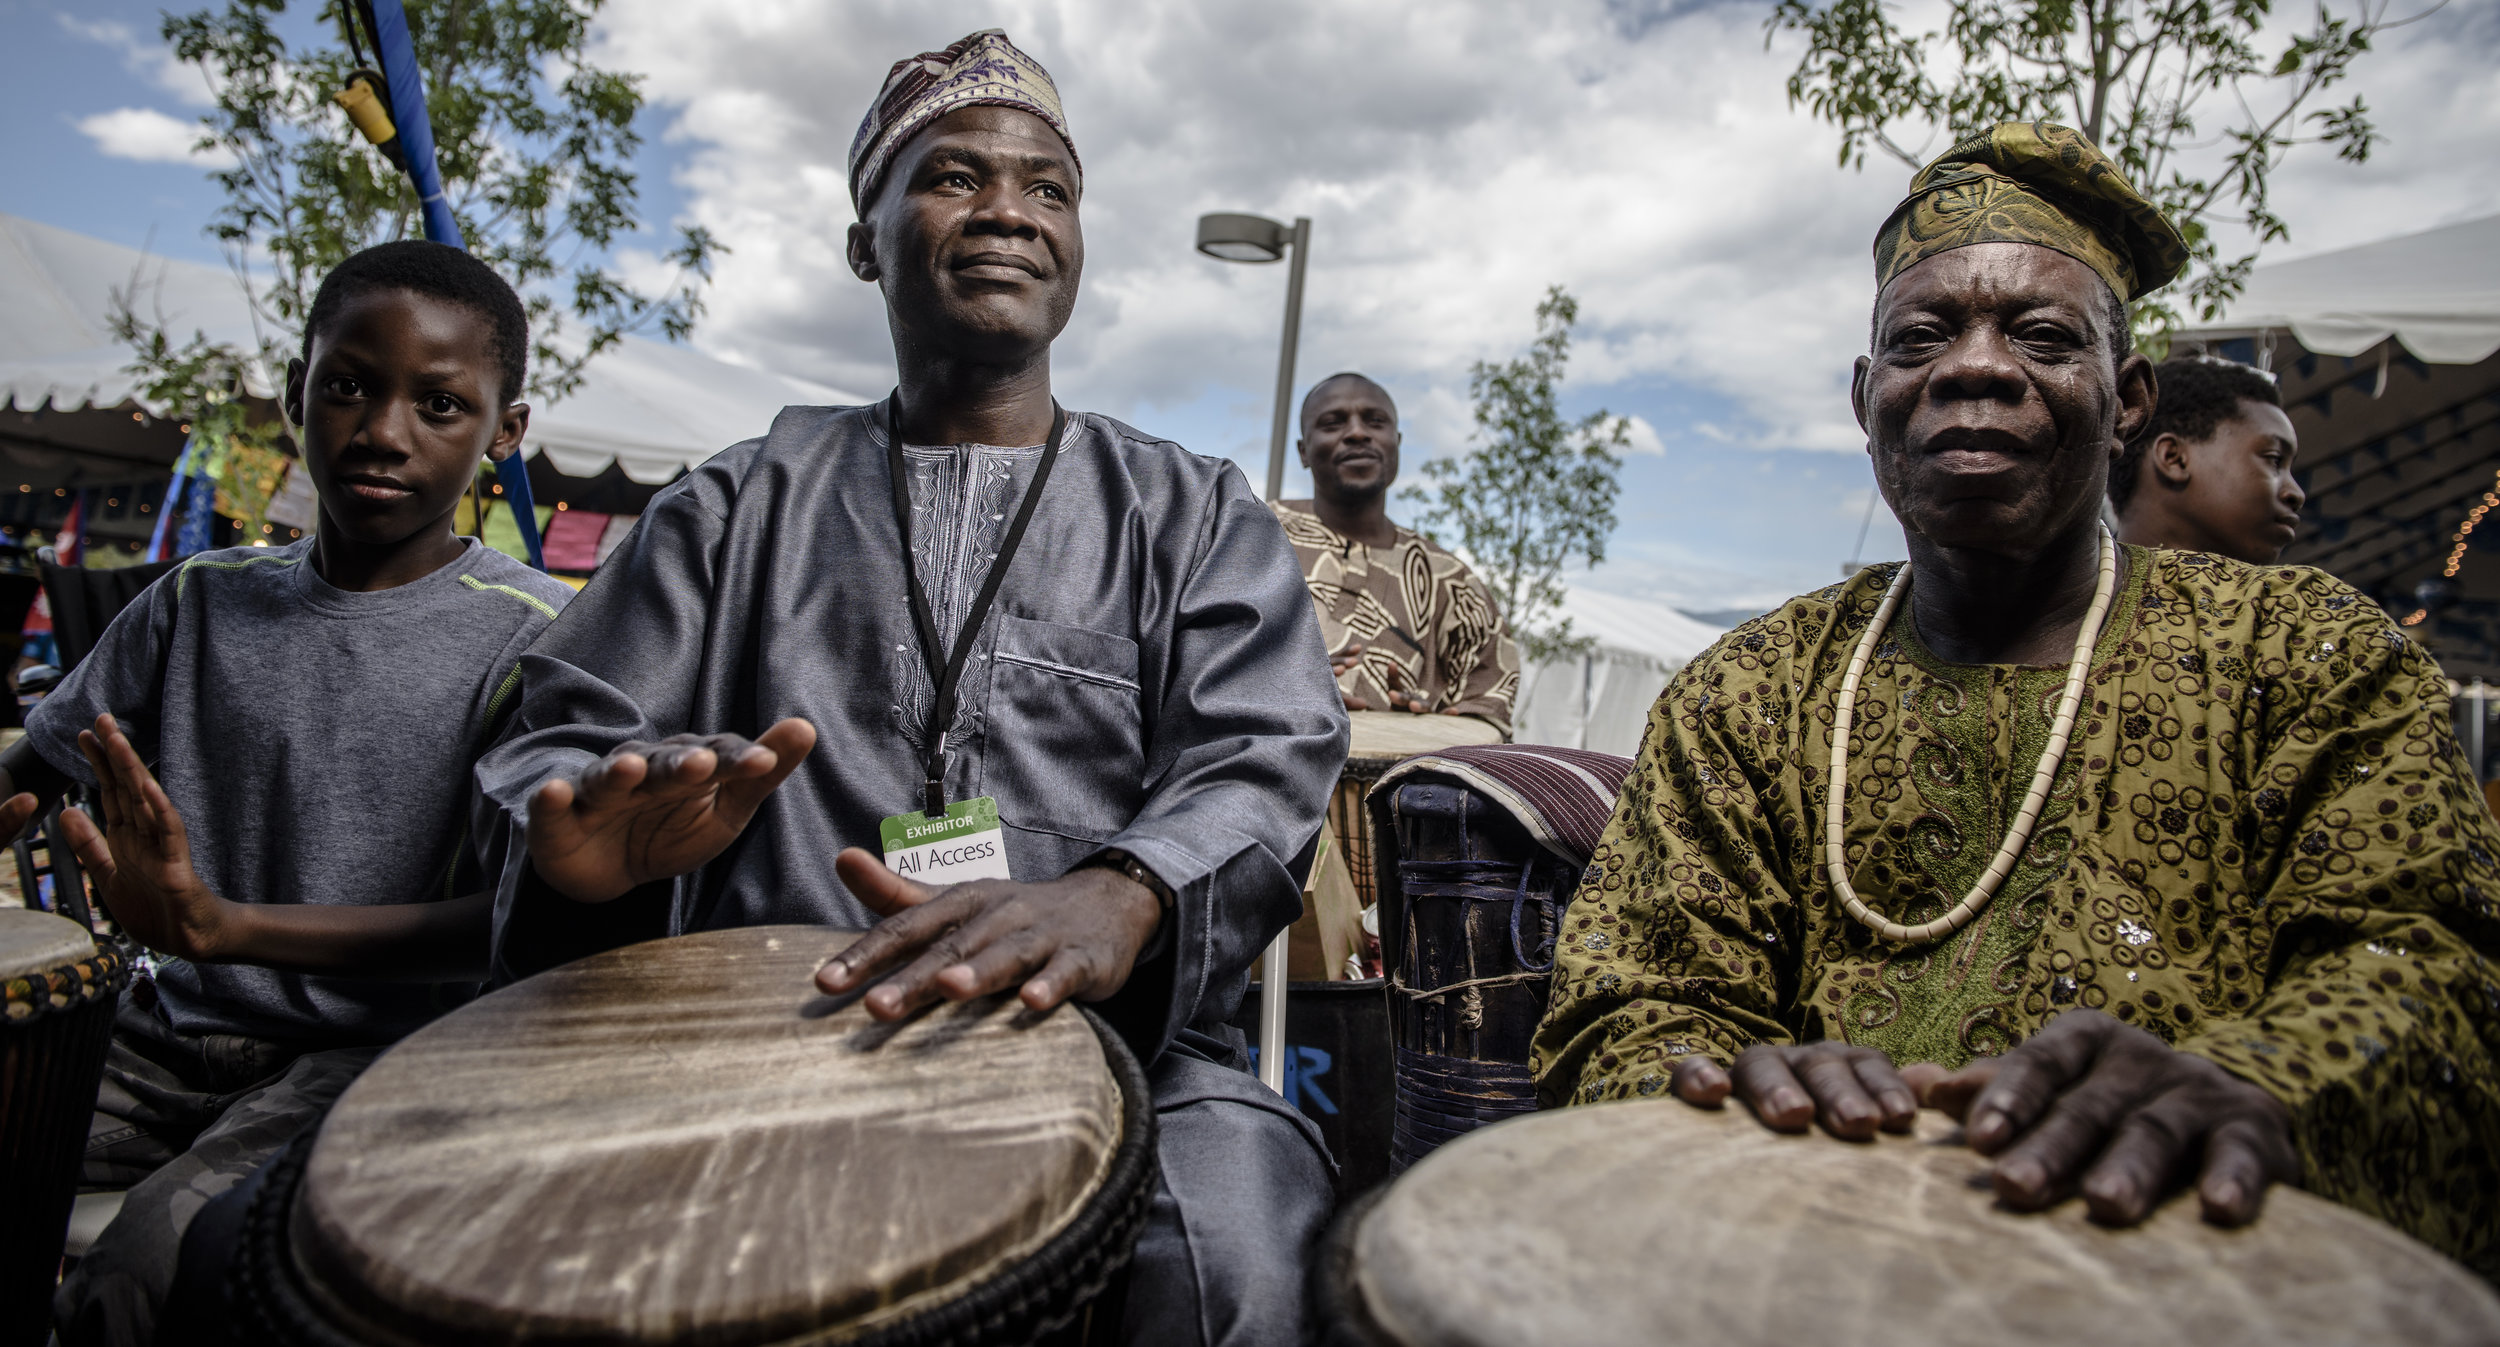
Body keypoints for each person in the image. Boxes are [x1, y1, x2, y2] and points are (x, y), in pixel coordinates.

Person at [474, 30, 1344, 1346]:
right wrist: (589, 862)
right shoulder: (735, 502)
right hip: (772, 1038)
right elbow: (567, 734)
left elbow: (1267, 749)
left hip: (1123, 1052)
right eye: (953, 174)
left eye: (1049, 188)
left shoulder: (1191, 513)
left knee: (1235, 1243)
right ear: (866, 237)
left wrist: (1125, 885)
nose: (1010, 210)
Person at [1531, 122, 2500, 1280]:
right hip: (1820, 1262)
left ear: (2129, 399)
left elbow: (2432, 964)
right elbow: (1627, 1000)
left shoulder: (2305, 657)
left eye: (2041, 336)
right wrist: (1716, 1083)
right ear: (1865, 397)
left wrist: (2255, 1082)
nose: (1975, 366)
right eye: (1920, 337)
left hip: (2189, 1268)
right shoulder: (1748, 693)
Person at [11, 240, 575, 1345]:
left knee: (144, 1270)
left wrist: (226, 927)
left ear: (505, 433)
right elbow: (35, 770)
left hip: (374, 1057)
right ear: (295, 395)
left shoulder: (540, 640)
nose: (381, 431)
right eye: (349, 386)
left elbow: (508, 927)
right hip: (164, 1026)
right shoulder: (198, 601)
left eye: (442, 403)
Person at [1274, 372, 1520, 736]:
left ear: (1397, 442)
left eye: (1375, 421)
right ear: (1303, 451)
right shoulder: (1252, 538)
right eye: (1333, 423)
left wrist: (1427, 720)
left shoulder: (1451, 581)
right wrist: (1280, 684)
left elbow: (1486, 713)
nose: (1357, 433)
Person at [2110, 356, 2304, 564]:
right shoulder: (2079, 593)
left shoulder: (2308, 594)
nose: (2296, 494)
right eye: (2274, 460)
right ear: (2174, 458)